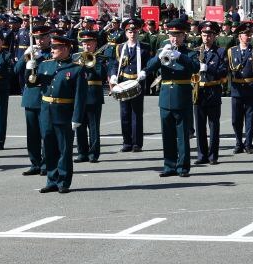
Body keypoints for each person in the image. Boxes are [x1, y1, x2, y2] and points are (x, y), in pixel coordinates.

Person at [31, 32, 88, 194]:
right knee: (49, 148)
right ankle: (51, 179)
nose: (52, 50)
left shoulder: (77, 69)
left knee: (64, 149)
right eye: (52, 47)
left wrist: (77, 117)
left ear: (65, 48)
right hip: (46, 111)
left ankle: (63, 181)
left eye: (55, 47)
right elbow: (32, 83)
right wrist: (30, 69)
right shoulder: (45, 65)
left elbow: (80, 96)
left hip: (64, 112)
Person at [144, 18, 199, 178]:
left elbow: (195, 67)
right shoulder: (163, 50)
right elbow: (149, 67)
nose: (174, 38)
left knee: (182, 135)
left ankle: (183, 167)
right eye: (172, 35)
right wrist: (160, 56)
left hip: (182, 96)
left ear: (183, 35)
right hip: (165, 96)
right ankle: (169, 166)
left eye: (178, 35)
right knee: (167, 134)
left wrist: (180, 56)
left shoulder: (189, 52)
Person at [15, 26, 51, 176]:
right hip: (30, 97)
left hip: (44, 96)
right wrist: (25, 56)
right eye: (37, 38)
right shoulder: (30, 52)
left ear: (48, 38)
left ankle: (46, 164)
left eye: (42, 38)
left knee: (45, 133)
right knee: (32, 134)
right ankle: (35, 163)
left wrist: (40, 57)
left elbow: (51, 70)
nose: (39, 41)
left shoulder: (51, 52)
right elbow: (16, 70)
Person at [108, 19, 148, 152]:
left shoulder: (144, 47)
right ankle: (127, 142)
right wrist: (113, 75)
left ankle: (137, 143)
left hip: (137, 81)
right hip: (123, 82)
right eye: (130, 32)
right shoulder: (120, 47)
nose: (132, 34)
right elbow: (115, 64)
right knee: (124, 113)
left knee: (136, 113)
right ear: (125, 33)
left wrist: (145, 72)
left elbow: (148, 64)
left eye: (135, 31)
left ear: (138, 32)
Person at [194, 23, 228, 165]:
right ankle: (202, 155)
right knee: (199, 125)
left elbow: (224, 71)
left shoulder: (220, 51)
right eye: (204, 35)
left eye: (209, 35)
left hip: (213, 90)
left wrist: (209, 68)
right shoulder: (196, 51)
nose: (206, 38)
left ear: (214, 37)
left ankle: (213, 155)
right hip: (198, 91)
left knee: (214, 125)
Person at [227, 25, 253, 153]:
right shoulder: (232, 51)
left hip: (250, 88)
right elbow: (227, 68)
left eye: (250, 34)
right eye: (246, 35)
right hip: (236, 88)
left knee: (249, 118)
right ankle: (238, 142)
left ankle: (248, 144)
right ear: (240, 36)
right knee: (236, 119)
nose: (249, 37)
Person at [74, 29, 105, 163]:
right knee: (79, 126)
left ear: (95, 43)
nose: (86, 46)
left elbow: (101, 75)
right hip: (79, 96)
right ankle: (82, 153)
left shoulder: (100, 58)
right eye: (84, 43)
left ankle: (93, 153)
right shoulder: (76, 57)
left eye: (89, 43)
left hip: (93, 95)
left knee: (93, 127)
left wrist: (90, 64)